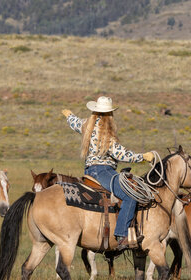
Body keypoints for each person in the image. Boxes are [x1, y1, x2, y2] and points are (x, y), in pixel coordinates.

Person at [62, 96, 155, 251]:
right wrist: (142, 157)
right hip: (103, 171)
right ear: (109, 115)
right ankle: (122, 235)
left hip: (90, 170)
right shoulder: (106, 133)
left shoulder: (87, 125)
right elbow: (121, 154)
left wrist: (68, 115)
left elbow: (75, 123)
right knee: (130, 195)